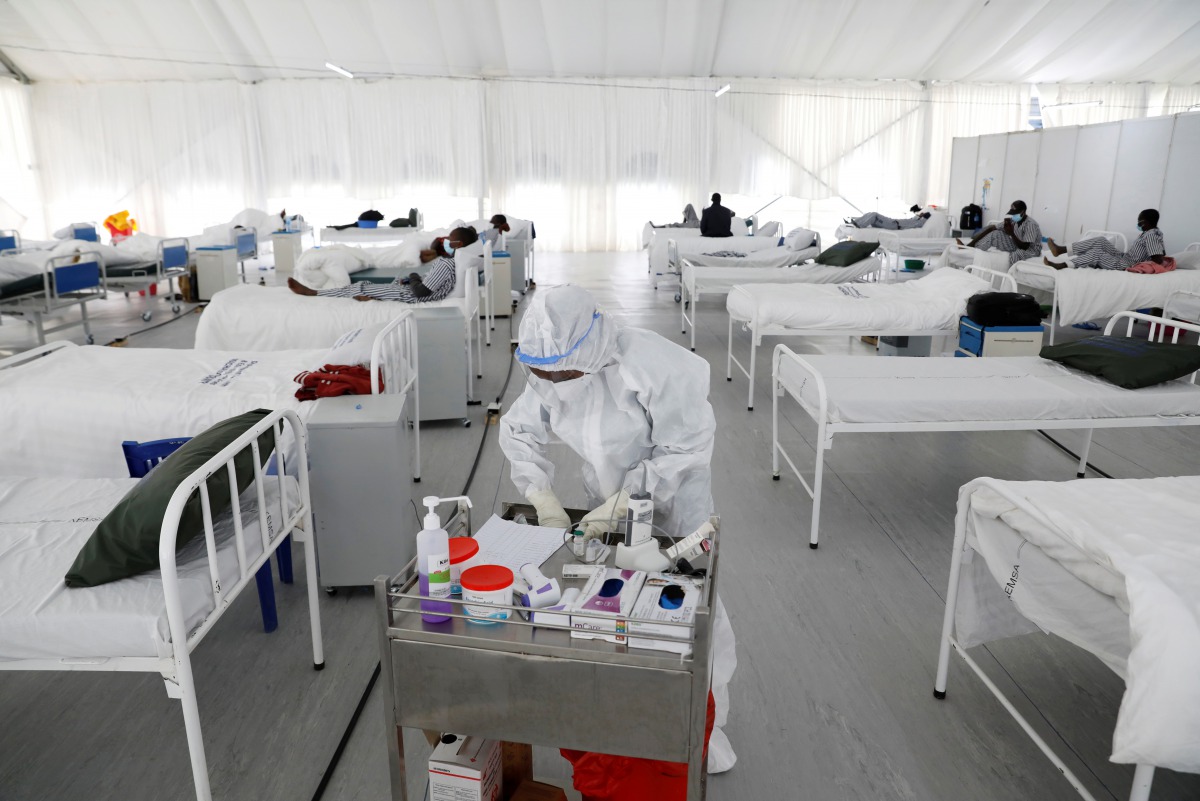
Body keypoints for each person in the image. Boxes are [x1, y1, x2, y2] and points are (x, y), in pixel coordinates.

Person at [498, 285, 737, 772]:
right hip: (604, 502)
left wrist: (629, 499)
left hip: (677, 507)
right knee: (613, 607)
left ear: (588, 349)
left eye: (562, 371)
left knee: (686, 613)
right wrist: (542, 496)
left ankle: (700, 731)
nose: (552, 381)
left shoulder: (656, 366)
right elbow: (520, 431)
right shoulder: (547, 366)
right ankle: (625, 721)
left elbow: (685, 450)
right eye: (543, 372)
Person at [287, 226, 478, 302]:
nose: (445, 240)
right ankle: (371, 295)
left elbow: (421, 292)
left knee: (361, 287)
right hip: (411, 291)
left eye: (449, 238)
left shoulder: (446, 264)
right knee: (367, 286)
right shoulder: (449, 262)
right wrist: (415, 279)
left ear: (458, 244)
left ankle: (315, 293)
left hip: (412, 295)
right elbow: (430, 284)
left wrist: (413, 277)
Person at [1044, 209, 1165, 270]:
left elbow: (1158, 259)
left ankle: (1063, 265)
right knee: (1100, 240)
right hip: (1124, 257)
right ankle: (1060, 250)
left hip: (1128, 265)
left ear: (1145, 222)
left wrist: (1142, 268)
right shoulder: (1150, 233)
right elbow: (1159, 252)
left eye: (1139, 221)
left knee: (1097, 253)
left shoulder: (1152, 235)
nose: (1138, 224)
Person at [953, 200, 1042, 266]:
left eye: (1015, 213)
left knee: (1014, 256)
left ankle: (1011, 276)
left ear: (1023, 212)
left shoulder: (1031, 224)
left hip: (1030, 249)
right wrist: (970, 244)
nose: (1013, 216)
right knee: (995, 233)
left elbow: (1025, 247)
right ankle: (969, 248)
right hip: (1016, 243)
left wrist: (1011, 233)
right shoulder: (1013, 221)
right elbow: (992, 228)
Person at [847, 205, 931, 230]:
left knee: (874, 215)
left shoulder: (919, 223)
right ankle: (853, 223)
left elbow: (921, 222)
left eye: (923, 214)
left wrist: (924, 216)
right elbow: (913, 219)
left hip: (893, 225)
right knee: (870, 213)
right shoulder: (915, 219)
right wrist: (919, 216)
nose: (921, 214)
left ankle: (859, 226)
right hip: (892, 222)